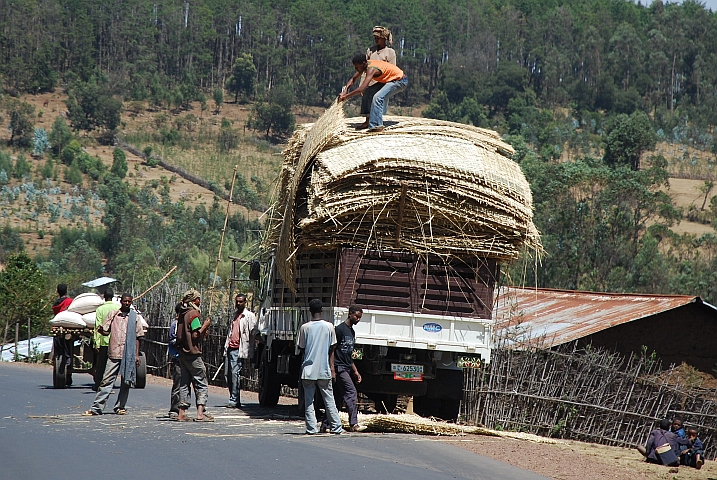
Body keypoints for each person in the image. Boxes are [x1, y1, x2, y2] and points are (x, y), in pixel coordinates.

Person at [82, 294, 144, 416]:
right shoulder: (113, 315)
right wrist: (100, 331)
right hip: (114, 353)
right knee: (106, 381)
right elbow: (106, 331)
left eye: (129, 301)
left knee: (126, 381)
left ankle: (121, 406)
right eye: (125, 301)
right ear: (121, 302)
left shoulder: (134, 317)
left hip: (128, 354)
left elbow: (138, 337)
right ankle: (97, 408)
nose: (127, 303)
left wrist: (136, 355)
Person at [298, 298, 343, 435]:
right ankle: (336, 426)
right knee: (329, 399)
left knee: (309, 401)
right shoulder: (329, 327)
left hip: (308, 370)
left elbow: (302, 348)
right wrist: (332, 369)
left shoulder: (305, 327)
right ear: (322, 310)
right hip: (324, 370)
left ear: (310, 311)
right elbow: (332, 348)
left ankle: (311, 428)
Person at [339, 53, 408, 132]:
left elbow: (361, 88)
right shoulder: (364, 65)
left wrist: (346, 96)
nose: (355, 68)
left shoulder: (371, 69)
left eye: (357, 67)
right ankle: (368, 121)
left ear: (363, 64)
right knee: (368, 92)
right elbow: (353, 79)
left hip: (399, 81)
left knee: (378, 97)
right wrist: (345, 90)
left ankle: (377, 125)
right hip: (389, 80)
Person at [323, 305, 363, 432]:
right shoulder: (339, 330)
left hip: (346, 367)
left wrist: (355, 371)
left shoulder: (352, 332)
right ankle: (354, 423)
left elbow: (348, 354)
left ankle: (326, 424)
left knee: (337, 397)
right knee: (351, 392)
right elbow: (332, 350)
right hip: (339, 368)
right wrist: (332, 369)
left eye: (360, 317)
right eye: (356, 316)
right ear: (350, 314)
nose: (358, 319)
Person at [176, 288, 213, 422]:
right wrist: (205, 325)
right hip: (193, 353)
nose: (200, 301)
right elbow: (196, 334)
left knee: (184, 383)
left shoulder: (182, 313)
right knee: (201, 382)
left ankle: (181, 413)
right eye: (198, 299)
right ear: (193, 301)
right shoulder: (193, 314)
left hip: (183, 353)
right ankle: (200, 414)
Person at [354, 26, 397, 130]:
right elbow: (365, 68)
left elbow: (392, 69)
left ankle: (377, 123)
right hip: (370, 81)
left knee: (376, 99)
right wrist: (362, 83)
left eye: (378, 38)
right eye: (375, 38)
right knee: (367, 95)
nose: (376, 39)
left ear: (384, 39)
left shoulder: (390, 52)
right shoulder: (370, 50)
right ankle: (367, 121)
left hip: (382, 81)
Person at [223, 293, 257, 409]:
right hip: (230, 347)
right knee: (227, 375)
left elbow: (253, 331)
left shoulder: (249, 316)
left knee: (234, 374)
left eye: (241, 301)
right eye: (237, 301)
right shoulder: (234, 315)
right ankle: (234, 398)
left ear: (245, 302)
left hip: (239, 348)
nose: (238, 304)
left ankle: (234, 399)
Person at [92, 289, 115, 391]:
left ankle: (98, 385)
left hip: (103, 341)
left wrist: (96, 343)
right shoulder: (118, 308)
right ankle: (109, 385)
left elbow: (98, 326)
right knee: (112, 366)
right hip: (115, 342)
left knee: (101, 365)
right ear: (113, 297)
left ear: (104, 297)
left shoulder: (100, 309)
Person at [51, 283, 74, 386]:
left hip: (58, 329)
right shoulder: (70, 301)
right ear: (66, 291)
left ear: (57, 291)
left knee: (59, 350)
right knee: (69, 350)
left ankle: (64, 369)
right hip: (69, 329)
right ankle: (68, 373)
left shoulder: (56, 303)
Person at [167, 303, 183, 419]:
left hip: (187, 358)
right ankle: (174, 409)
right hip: (178, 357)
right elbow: (172, 340)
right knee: (177, 384)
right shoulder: (175, 325)